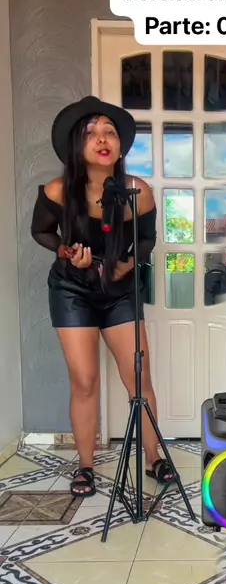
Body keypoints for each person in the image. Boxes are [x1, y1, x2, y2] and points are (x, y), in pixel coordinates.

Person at [31, 95, 172, 497]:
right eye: (91, 133)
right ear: (77, 145)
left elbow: (147, 239)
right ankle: (86, 466)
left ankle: (154, 457)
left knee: (139, 378)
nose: (102, 139)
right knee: (84, 380)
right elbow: (41, 231)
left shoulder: (135, 191)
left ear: (121, 147)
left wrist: (127, 265)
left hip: (119, 291)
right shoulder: (59, 190)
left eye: (109, 131)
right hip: (71, 290)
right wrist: (65, 252)